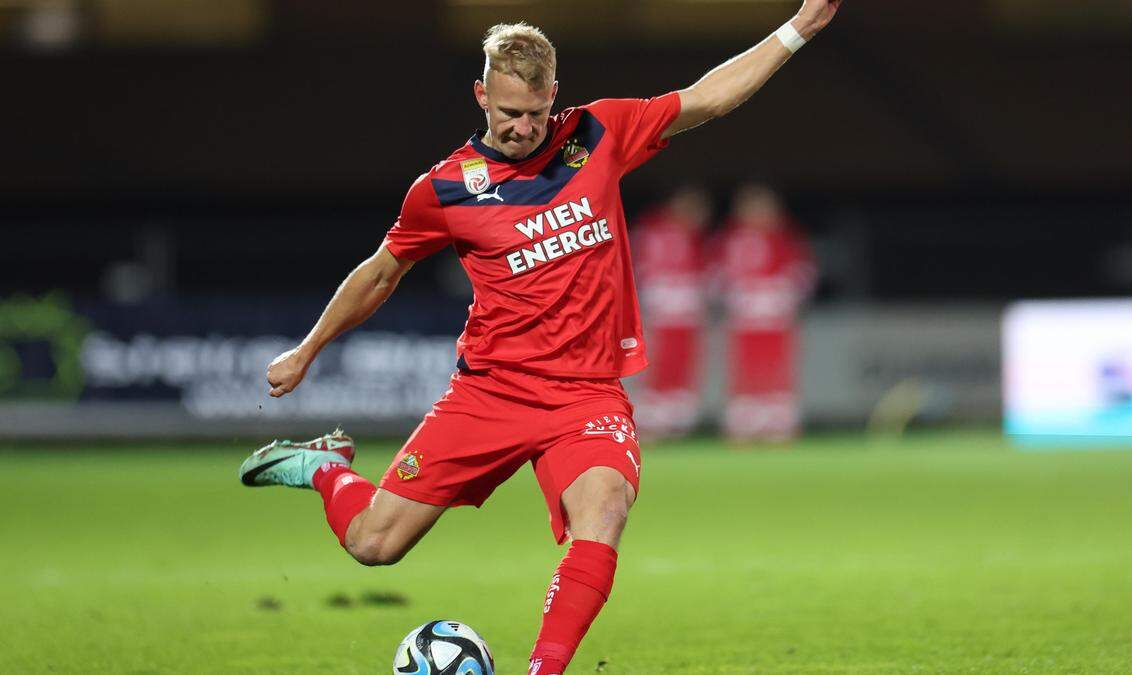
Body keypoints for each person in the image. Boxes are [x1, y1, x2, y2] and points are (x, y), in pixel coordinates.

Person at [238, 5, 842, 673]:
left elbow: (708, 97)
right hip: (491, 391)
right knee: (372, 544)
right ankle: (326, 468)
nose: (522, 128)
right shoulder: (443, 189)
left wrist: (798, 29)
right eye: (507, 113)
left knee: (606, 507)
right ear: (481, 95)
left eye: (533, 113)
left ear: (553, 95)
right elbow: (382, 272)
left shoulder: (599, 131)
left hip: (586, 395)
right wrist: (308, 348)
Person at [711, 183, 818, 441]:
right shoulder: (729, 238)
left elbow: (804, 272)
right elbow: (716, 274)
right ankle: (744, 423)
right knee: (746, 369)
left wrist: (785, 293)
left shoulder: (786, 237)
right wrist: (732, 295)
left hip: (776, 318)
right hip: (745, 319)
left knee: (777, 369)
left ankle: (778, 423)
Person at [631, 186, 713, 438]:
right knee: (658, 361)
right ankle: (652, 418)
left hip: (682, 308)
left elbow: (705, 270)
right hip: (658, 307)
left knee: (682, 361)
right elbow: (637, 263)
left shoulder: (692, 235)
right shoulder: (654, 229)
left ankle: (674, 419)